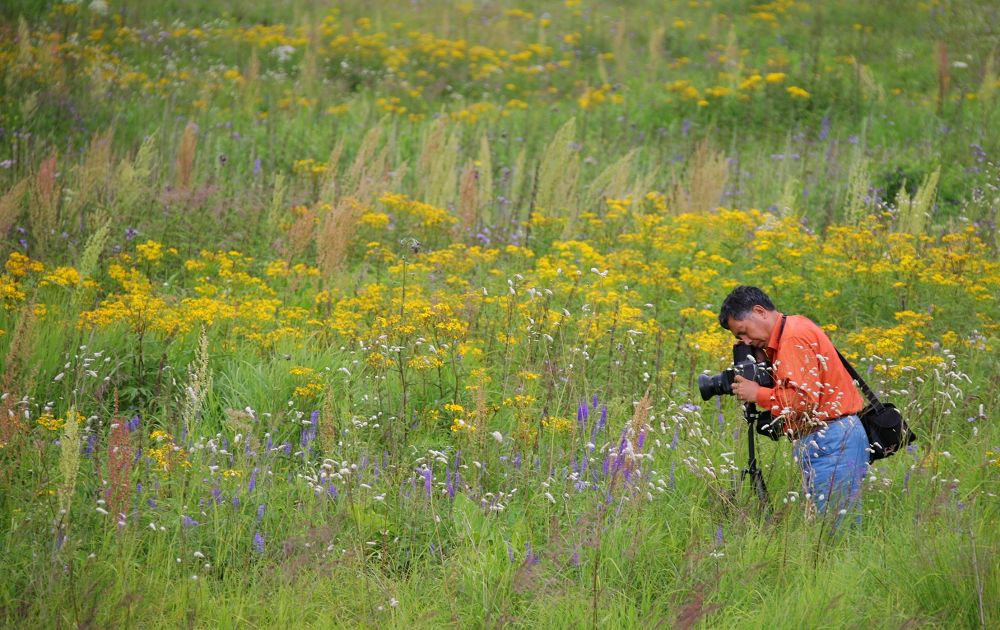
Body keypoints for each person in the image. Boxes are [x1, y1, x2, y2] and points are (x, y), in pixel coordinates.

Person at [717, 285, 867, 522]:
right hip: (831, 437)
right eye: (739, 338)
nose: (745, 340)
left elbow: (802, 401)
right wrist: (762, 362)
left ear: (760, 311)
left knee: (837, 531)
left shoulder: (792, 338)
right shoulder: (793, 327)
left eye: (743, 332)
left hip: (831, 440)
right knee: (833, 526)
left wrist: (757, 393)